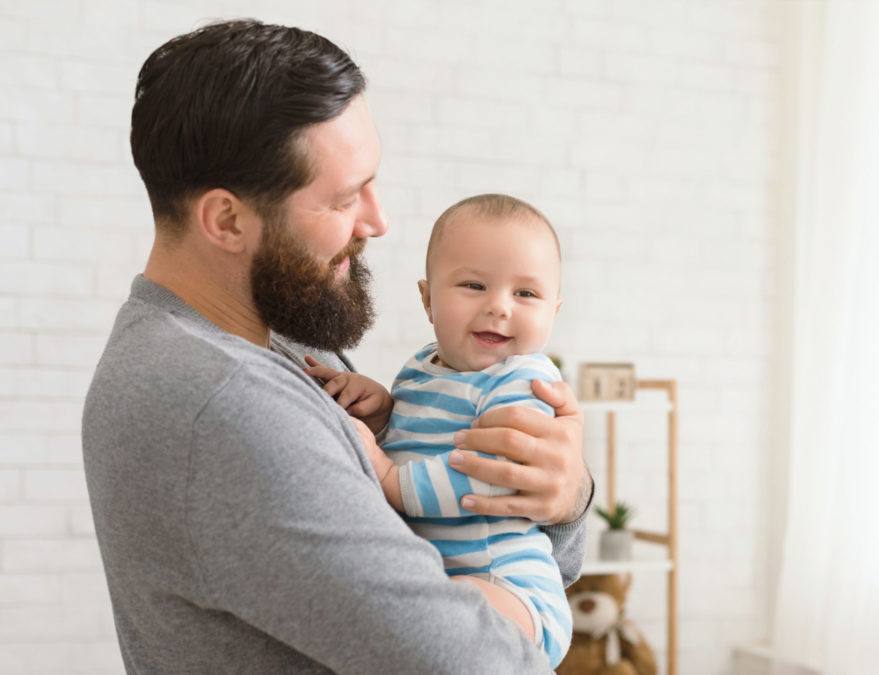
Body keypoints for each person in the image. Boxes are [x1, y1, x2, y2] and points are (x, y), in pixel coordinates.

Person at [81, 19, 592, 674]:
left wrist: (564, 493)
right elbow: (475, 660)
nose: (378, 221)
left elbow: (540, 564)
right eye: (346, 197)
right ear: (227, 219)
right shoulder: (222, 399)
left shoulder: (280, 339)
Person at [304, 193, 573, 667]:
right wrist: (384, 411)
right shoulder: (419, 368)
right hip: (443, 576)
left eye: (525, 294)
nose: (499, 307)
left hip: (508, 586)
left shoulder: (524, 380)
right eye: (473, 285)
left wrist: (390, 480)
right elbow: (416, 441)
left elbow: (491, 474)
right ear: (427, 300)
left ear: (554, 311)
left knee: (450, 616)